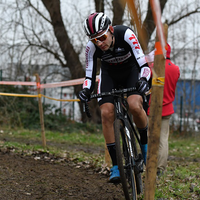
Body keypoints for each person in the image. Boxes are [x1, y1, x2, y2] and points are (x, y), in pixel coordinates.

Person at [78, 12, 151, 182]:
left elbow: (144, 64)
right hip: (109, 75)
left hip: (131, 72)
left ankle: (146, 149)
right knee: (106, 113)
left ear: (110, 30)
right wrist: (85, 91)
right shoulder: (91, 47)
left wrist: (144, 80)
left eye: (102, 37)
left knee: (134, 105)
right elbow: (89, 76)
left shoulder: (126, 34)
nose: (100, 43)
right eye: (95, 40)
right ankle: (116, 165)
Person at [147, 44, 180, 176]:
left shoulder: (151, 68)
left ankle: (150, 165)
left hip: (152, 108)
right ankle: (160, 169)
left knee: (150, 138)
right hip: (167, 109)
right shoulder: (176, 69)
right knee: (163, 140)